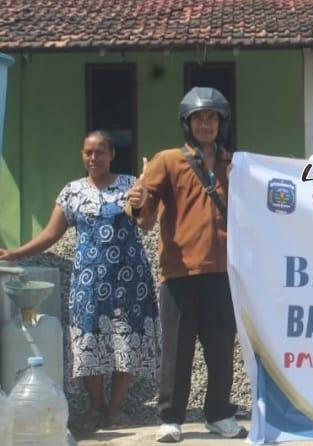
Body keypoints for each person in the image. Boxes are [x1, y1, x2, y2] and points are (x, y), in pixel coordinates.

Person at [0, 130, 158, 432]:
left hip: (131, 280)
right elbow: (50, 234)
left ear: (112, 154)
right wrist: (15, 253)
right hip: (88, 282)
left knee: (129, 341)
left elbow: (146, 224)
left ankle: (115, 408)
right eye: (88, 152)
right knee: (88, 343)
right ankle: (95, 406)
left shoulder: (130, 185)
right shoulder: (71, 192)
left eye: (100, 151)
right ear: (82, 155)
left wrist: (144, 199)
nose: (93, 158)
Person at [126, 87, 246, 443]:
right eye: (199, 118)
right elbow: (144, 219)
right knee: (177, 349)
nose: (206, 124)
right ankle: (171, 417)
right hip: (178, 269)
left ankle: (219, 413)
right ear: (187, 122)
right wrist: (137, 201)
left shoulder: (234, 163)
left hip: (224, 269)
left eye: (212, 117)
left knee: (222, 346)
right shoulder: (167, 160)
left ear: (221, 122)